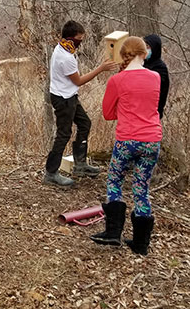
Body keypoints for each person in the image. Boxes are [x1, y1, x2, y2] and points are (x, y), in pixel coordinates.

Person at [90, 37, 161, 256]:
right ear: (143, 53)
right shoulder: (156, 77)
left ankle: (113, 233)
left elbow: (108, 113)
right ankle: (140, 244)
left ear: (123, 54)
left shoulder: (117, 81)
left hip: (127, 139)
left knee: (114, 180)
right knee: (141, 188)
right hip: (152, 140)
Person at [44, 20, 117, 187]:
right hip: (63, 98)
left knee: (85, 123)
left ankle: (80, 164)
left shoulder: (63, 47)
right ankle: (51, 173)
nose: (80, 42)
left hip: (69, 95)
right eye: (79, 39)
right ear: (70, 38)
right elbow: (78, 81)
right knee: (63, 134)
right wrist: (101, 68)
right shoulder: (65, 57)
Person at [143, 34, 169, 119]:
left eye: (148, 47)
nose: (145, 50)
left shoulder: (160, 67)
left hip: (154, 112)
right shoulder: (142, 63)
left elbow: (159, 88)